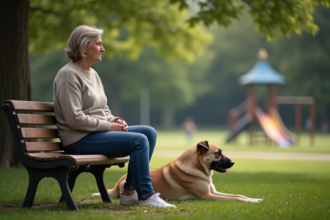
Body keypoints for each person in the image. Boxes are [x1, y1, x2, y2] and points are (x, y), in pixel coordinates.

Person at [53, 25, 175, 208]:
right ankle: (147, 196)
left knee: (149, 133)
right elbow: (74, 118)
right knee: (139, 140)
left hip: (94, 135)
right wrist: (109, 127)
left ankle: (129, 192)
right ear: (84, 47)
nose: (102, 49)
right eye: (99, 44)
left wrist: (114, 120)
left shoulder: (93, 74)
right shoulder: (68, 75)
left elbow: (103, 109)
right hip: (78, 140)